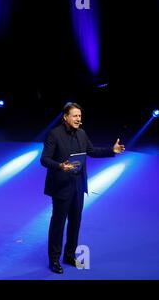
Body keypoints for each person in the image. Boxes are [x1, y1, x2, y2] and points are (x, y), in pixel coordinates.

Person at [40, 103, 125, 274]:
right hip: (61, 187)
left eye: (79, 116)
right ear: (65, 117)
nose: (78, 119)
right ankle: (54, 260)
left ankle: (70, 255)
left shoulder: (82, 133)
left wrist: (112, 150)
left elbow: (92, 151)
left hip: (78, 186)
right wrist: (59, 166)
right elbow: (44, 159)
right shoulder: (54, 134)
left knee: (75, 223)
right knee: (58, 224)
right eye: (75, 116)